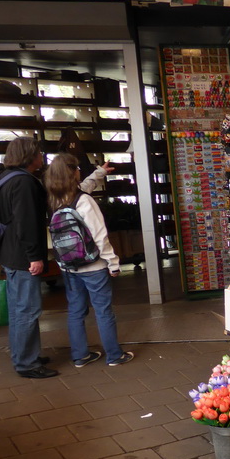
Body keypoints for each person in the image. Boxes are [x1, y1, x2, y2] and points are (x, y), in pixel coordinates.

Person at [44, 153, 134, 368]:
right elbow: (100, 235)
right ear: (73, 173)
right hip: (93, 265)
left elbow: (84, 187)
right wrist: (113, 262)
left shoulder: (54, 199)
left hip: (69, 266)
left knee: (75, 311)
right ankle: (114, 355)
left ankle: (80, 356)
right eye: (77, 169)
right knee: (103, 310)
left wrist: (99, 173)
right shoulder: (83, 200)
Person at [0, 137, 55, 378]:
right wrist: (35, 257)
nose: (41, 157)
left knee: (18, 310)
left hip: (9, 253)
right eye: (38, 152)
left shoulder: (3, 178)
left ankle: (23, 355)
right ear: (30, 155)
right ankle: (27, 363)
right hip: (23, 255)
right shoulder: (24, 183)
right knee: (28, 310)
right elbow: (27, 223)